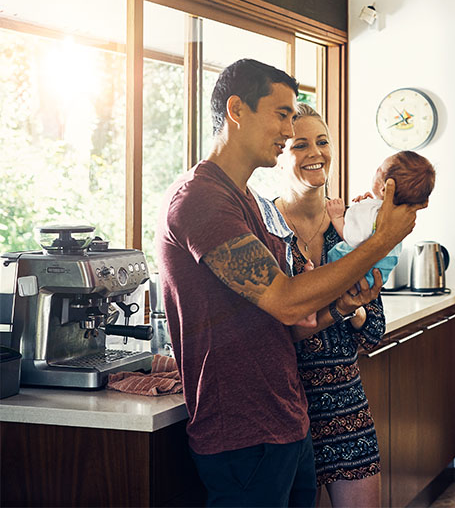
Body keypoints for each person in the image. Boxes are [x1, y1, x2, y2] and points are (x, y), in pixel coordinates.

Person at [156, 59, 423, 508]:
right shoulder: (200, 198)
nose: (287, 128)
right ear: (237, 109)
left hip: (285, 420)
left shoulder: (245, 203)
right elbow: (282, 300)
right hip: (242, 428)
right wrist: (382, 240)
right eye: (281, 114)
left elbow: (289, 320)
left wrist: (340, 308)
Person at [274, 104, 428, 508]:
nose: (316, 152)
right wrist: (340, 305)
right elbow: (271, 327)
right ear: (279, 151)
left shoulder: (363, 228)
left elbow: (373, 330)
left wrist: (354, 308)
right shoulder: (266, 230)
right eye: (299, 143)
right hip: (282, 407)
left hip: (344, 399)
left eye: (323, 142)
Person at [326, 150, 436, 287]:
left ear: (385, 189)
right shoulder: (398, 218)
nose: (375, 171)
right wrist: (367, 205)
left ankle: (314, 273)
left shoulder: (372, 212)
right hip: (379, 273)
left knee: (329, 262)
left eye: (379, 169)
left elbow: (353, 238)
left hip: (357, 275)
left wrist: (337, 217)